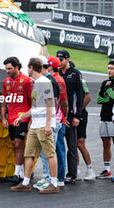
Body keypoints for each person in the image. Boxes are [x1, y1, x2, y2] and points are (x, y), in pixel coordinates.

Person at [11, 58, 59, 194]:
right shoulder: (36, 83)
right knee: (29, 154)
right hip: (35, 125)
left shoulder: (44, 83)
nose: (27, 70)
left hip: (44, 125)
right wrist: (21, 117)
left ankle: (54, 184)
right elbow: (36, 108)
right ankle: (25, 183)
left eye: (28, 67)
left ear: (31, 67)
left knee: (50, 154)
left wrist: (48, 125)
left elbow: (50, 104)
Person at [1, 57, 33, 184]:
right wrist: (3, 118)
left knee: (19, 144)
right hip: (11, 119)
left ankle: (17, 174)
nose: (7, 71)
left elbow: (33, 102)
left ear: (16, 67)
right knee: (15, 145)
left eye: (9, 68)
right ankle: (19, 172)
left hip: (23, 118)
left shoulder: (27, 81)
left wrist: (30, 120)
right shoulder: (6, 81)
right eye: (6, 69)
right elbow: (3, 101)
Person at [32, 56, 61, 190]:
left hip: (50, 121)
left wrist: (49, 122)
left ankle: (50, 179)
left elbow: (52, 102)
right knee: (45, 153)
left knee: (49, 153)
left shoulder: (49, 81)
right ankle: (46, 177)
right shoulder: (42, 81)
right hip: (47, 120)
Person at [56, 50, 84, 184]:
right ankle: (56, 173)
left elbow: (80, 96)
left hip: (70, 115)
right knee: (57, 145)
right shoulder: (54, 73)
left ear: (67, 59)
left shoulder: (75, 74)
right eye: (58, 59)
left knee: (71, 146)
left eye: (61, 59)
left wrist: (77, 116)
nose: (59, 62)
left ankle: (72, 174)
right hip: (57, 115)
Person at [96, 60, 114, 179]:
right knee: (105, 143)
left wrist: (109, 90)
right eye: (108, 68)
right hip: (103, 116)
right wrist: (108, 99)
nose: (109, 70)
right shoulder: (105, 82)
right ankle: (107, 170)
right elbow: (98, 99)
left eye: (112, 68)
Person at [47, 56, 68, 186]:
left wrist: (65, 117)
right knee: (54, 149)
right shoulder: (54, 79)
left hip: (58, 119)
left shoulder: (58, 80)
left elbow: (64, 102)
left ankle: (60, 177)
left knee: (58, 149)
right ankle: (55, 176)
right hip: (57, 118)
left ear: (49, 67)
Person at [76, 78, 96, 181]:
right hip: (71, 114)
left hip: (80, 114)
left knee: (80, 143)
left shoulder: (81, 80)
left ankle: (90, 170)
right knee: (72, 144)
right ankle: (76, 170)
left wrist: (78, 111)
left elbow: (88, 97)